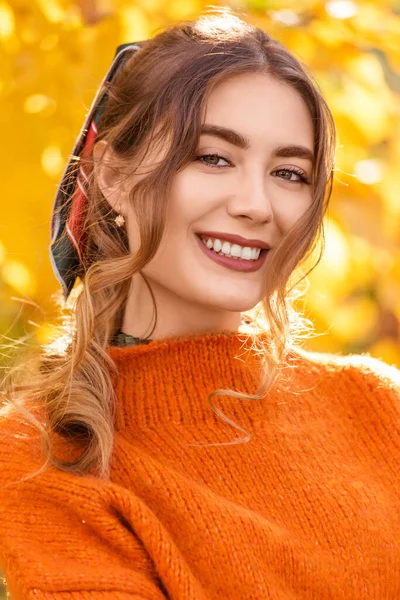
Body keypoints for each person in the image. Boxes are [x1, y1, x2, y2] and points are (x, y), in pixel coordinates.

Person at [1, 9, 400, 600]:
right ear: (111, 174)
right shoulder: (47, 452)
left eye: (290, 172)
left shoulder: (379, 409)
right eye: (212, 157)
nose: (256, 204)